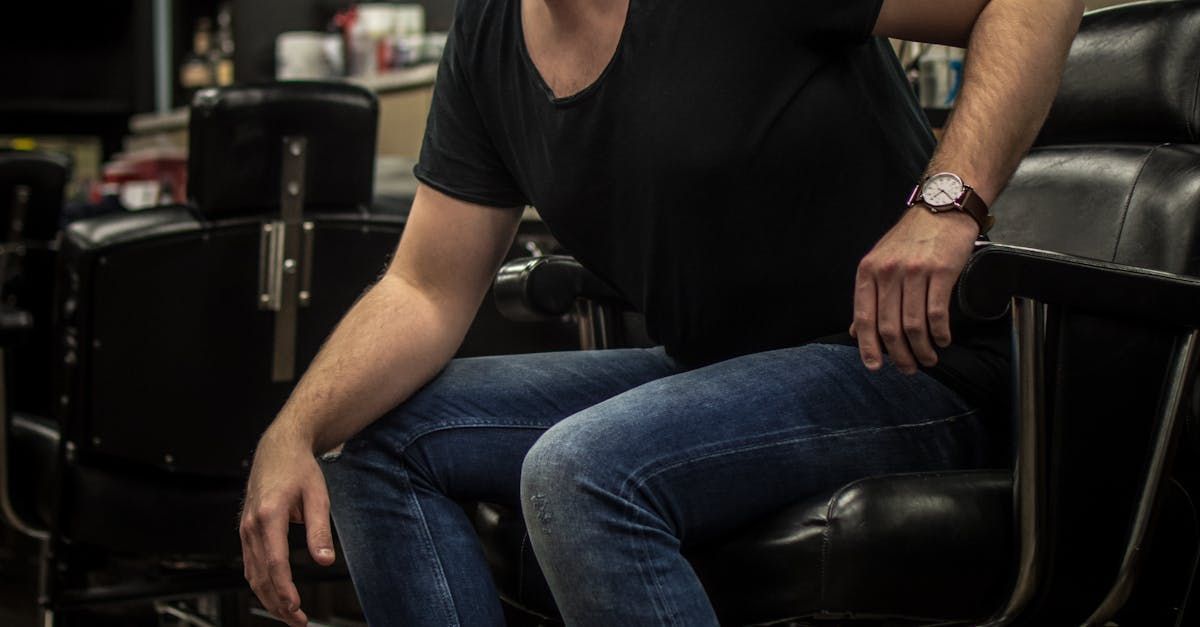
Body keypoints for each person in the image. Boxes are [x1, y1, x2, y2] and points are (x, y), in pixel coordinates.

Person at [239, 0, 1083, 624]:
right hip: (714, 370)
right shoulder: (488, 38)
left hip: (907, 365)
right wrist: (294, 429)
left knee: (582, 470)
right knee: (375, 438)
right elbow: (423, 289)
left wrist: (945, 206)